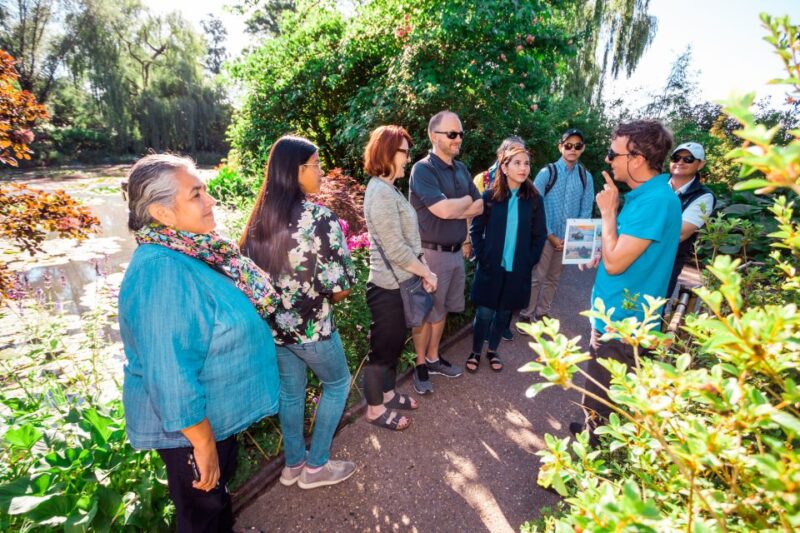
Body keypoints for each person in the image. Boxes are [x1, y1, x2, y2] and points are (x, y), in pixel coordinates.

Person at [119, 154, 280, 532]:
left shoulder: (191, 251)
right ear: (163, 214)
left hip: (212, 423)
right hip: (191, 432)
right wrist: (203, 443)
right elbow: (169, 371)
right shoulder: (162, 270)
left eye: (205, 191)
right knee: (202, 519)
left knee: (214, 509)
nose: (210, 202)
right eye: (196, 195)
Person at [239, 135, 357, 489]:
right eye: (316, 165)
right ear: (296, 170)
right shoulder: (319, 218)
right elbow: (341, 288)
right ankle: (317, 466)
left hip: (275, 330)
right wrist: (318, 303)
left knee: (291, 394)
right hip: (313, 331)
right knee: (338, 384)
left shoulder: (259, 218)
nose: (321, 171)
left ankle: (293, 465)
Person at [570, 120, 681, 443]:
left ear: (636, 158)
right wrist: (602, 251)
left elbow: (618, 262)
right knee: (597, 394)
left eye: (613, 153)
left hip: (623, 327)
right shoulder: (648, 196)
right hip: (614, 318)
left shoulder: (655, 201)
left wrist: (608, 212)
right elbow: (622, 251)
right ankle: (590, 430)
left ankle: (588, 467)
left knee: (607, 406)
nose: (608, 160)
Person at [362, 125, 438, 430]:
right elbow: (395, 250)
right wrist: (427, 271)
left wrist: (421, 266)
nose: (408, 158)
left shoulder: (388, 187)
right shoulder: (380, 192)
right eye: (404, 151)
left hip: (399, 284)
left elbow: (408, 242)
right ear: (387, 152)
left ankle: (389, 394)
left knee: (393, 347)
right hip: (386, 288)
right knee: (381, 351)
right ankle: (375, 409)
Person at [409, 110, 483, 394]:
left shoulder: (462, 169)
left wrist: (457, 207)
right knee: (426, 312)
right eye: (452, 134)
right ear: (433, 135)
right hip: (430, 254)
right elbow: (441, 209)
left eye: (460, 133)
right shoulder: (423, 169)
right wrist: (463, 202)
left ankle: (433, 357)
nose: (458, 139)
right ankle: (420, 365)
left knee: (441, 311)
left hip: (454, 253)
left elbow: (479, 207)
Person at [467, 146, 546, 372]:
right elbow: (476, 229)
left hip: (518, 269)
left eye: (526, 163)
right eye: (517, 163)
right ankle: (475, 351)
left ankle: (492, 350)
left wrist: (529, 260)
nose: (523, 168)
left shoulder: (534, 200)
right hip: (491, 267)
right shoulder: (490, 197)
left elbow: (539, 234)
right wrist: (483, 256)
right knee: (484, 312)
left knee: (503, 313)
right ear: (504, 167)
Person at [518, 128, 594, 330]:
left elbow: (586, 211)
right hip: (544, 236)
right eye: (568, 145)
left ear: (582, 148)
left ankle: (543, 312)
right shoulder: (547, 172)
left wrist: (574, 241)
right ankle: (526, 314)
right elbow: (535, 205)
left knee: (554, 278)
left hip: (568, 240)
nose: (572, 149)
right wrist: (549, 234)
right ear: (560, 147)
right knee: (537, 276)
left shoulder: (586, 177)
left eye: (577, 146)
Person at [472, 135, 527, 342]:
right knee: (487, 295)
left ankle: (501, 324)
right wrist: (475, 247)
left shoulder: (524, 184)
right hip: (489, 247)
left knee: (508, 292)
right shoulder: (484, 179)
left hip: (513, 251)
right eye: (512, 151)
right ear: (501, 155)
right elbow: (473, 214)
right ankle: (483, 328)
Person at [667, 142, 716, 298]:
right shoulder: (657, 185)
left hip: (668, 262)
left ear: (700, 164)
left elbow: (680, 233)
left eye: (688, 159)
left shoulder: (704, 197)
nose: (680, 162)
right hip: (635, 257)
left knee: (651, 311)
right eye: (676, 158)